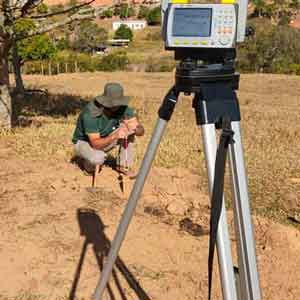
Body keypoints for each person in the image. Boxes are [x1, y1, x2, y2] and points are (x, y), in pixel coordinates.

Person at [72, 82, 144, 178]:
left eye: (118, 102)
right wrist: (115, 135)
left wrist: (136, 128)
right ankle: (87, 165)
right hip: (85, 142)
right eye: (114, 103)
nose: (117, 106)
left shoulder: (123, 108)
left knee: (129, 132)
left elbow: (141, 131)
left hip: (106, 138)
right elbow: (95, 144)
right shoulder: (90, 113)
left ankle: (123, 166)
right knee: (98, 158)